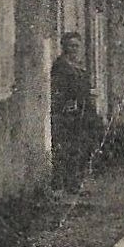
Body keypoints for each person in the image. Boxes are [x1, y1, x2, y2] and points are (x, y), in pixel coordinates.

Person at [51, 33, 97, 192]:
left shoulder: (79, 66)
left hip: (82, 114)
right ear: (64, 47)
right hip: (67, 114)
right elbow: (58, 90)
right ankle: (63, 184)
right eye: (71, 46)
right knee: (66, 149)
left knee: (80, 148)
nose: (74, 49)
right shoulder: (60, 66)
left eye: (77, 46)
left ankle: (75, 183)